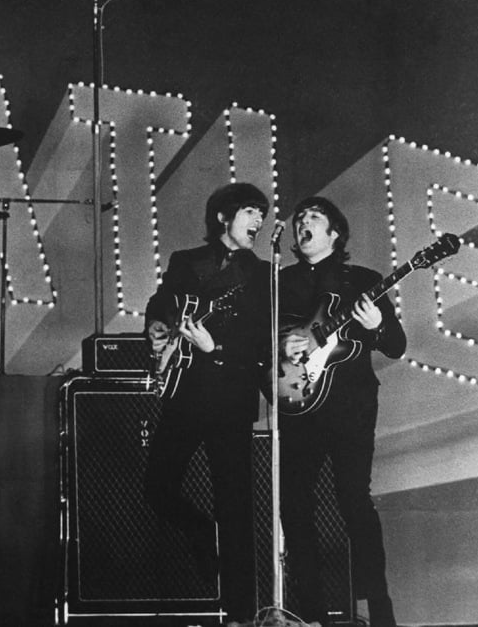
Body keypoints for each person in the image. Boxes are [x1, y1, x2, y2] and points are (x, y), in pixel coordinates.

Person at [144, 182, 270, 625]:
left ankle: (242, 614)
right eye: (250, 211)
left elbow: (261, 343)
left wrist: (215, 348)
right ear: (223, 217)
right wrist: (158, 330)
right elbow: (160, 304)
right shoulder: (186, 262)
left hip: (231, 398)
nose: (258, 221)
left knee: (235, 507)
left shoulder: (261, 274)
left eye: (262, 214)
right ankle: (201, 531)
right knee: (157, 486)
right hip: (186, 393)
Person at [278, 196, 405, 627]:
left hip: (350, 407)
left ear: (335, 233)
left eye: (314, 218)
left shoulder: (363, 281)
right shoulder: (281, 282)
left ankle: (379, 610)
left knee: (354, 501)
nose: (303, 225)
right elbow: (260, 340)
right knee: (294, 505)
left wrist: (377, 326)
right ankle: (311, 614)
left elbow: (396, 345)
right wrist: (282, 344)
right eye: (299, 221)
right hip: (299, 405)